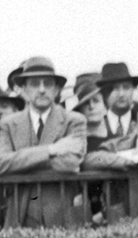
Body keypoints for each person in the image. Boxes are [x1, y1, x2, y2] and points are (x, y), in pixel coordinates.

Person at [0, 56, 87, 227]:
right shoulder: (8, 124)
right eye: (34, 84)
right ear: (23, 90)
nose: (41, 89)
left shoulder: (74, 120)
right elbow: (2, 164)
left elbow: (71, 164)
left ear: (56, 90)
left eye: (47, 83)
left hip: (62, 212)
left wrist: (19, 163)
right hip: (20, 213)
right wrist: (52, 150)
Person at [97, 61, 138, 140]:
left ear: (133, 90)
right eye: (115, 88)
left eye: (126, 87)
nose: (121, 94)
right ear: (105, 92)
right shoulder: (96, 124)